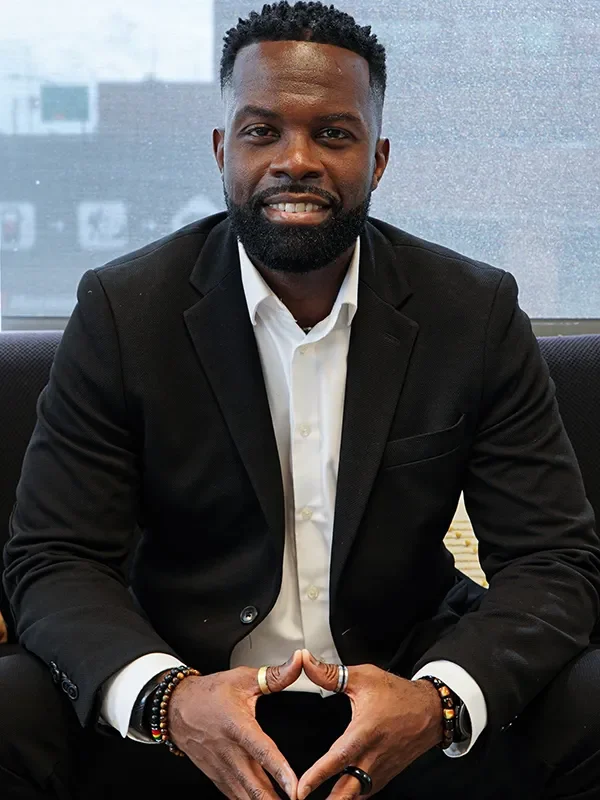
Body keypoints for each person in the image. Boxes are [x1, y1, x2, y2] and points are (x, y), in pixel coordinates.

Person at [2, 2, 600, 798]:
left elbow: (552, 560)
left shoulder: (474, 311)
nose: (296, 160)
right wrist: (166, 700)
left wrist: (442, 701)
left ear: (378, 158)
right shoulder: (123, 310)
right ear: (222, 150)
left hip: (404, 693)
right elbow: (55, 557)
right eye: (261, 132)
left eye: (334, 134)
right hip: (186, 701)